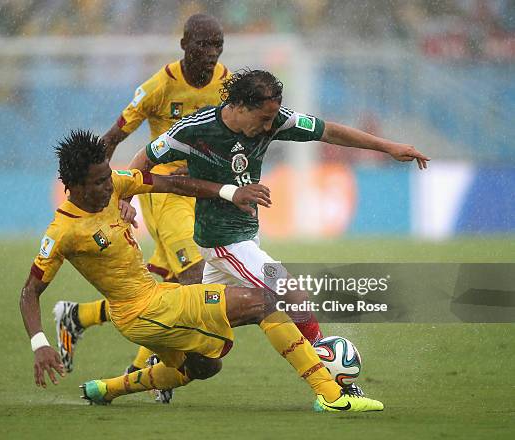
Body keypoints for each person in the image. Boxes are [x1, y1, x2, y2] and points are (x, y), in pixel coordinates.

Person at [20, 129, 384, 412]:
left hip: (158, 298)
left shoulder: (115, 183)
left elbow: (173, 184)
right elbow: (30, 292)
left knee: (205, 367)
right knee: (263, 303)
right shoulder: (63, 233)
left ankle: (107, 389)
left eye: (107, 177)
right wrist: (39, 344)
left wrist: (229, 192)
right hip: (141, 313)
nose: (108, 187)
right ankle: (331, 394)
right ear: (72, 186)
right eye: (98, 183)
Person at [127, 68, 429, 341]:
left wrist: (389, 147)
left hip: (244, 236)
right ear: (240, 107)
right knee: (289, 290)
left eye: (273, 118)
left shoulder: (274, 121)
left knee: (202, 334)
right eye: (264, 119)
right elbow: (143, 159)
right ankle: (328, 370)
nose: (270, 126)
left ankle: (121, 380)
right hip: (222, 241)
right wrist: (125, 199)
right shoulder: (193, 130)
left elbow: (329, 131)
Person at [53, 14, 230, 379]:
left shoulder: (226, 84)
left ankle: (79, 317)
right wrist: (102, 192)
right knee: (196, 277)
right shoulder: (158, 88)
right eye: (203, 45)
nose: (211, 54)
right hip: (163, 191)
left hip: (198, 192)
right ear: (184, 45)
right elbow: (112, 138)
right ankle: (154, 366)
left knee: (159, 283)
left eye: (217, 46)